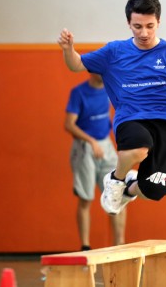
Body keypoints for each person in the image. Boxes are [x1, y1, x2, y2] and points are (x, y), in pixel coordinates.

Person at [58, 0, 166, 215]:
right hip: (132, 116)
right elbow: (76, 65)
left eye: (150, 26)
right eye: (137, 26)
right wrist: (68, 50)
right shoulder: (114, 52)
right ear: (128, 23)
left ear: (159, 22)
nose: (144, 33)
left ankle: (129, 190)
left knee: (155, 189)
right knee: (137, 148)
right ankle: (115, 180)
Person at [65, 73, 130, 250]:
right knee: (86, 199)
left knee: (117, 194)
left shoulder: (110, 89)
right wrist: (91, 141)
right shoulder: (79, 92)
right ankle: (85, 245)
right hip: (85, 147)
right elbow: (69, 124)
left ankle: (120, 244)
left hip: (106, 147)